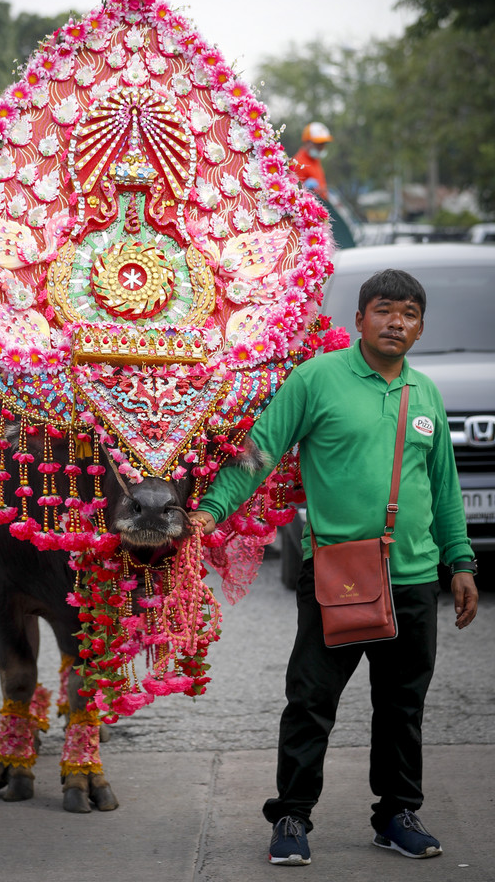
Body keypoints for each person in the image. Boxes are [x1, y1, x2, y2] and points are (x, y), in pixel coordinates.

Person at [190, 268, 478, 866]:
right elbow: (262, 448)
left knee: (402, 704)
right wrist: (212, 510)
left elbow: (444, 487)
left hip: (415, 577)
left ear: (420, 327)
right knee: (311, 700)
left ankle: (397, 813)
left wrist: (461, 561)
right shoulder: (317, 379)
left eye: (408, 314)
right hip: (336, 574)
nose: (396, 322)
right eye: (384, 310)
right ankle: (292, 817)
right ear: (359, 319)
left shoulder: (424, 394)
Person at [292, 122, 332, 200]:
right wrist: (307, 190)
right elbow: (296, 196)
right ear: (307, 142)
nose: (322, 147)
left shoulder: (315, 160)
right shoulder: (298, 163)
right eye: (319, 143)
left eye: (324, 143)